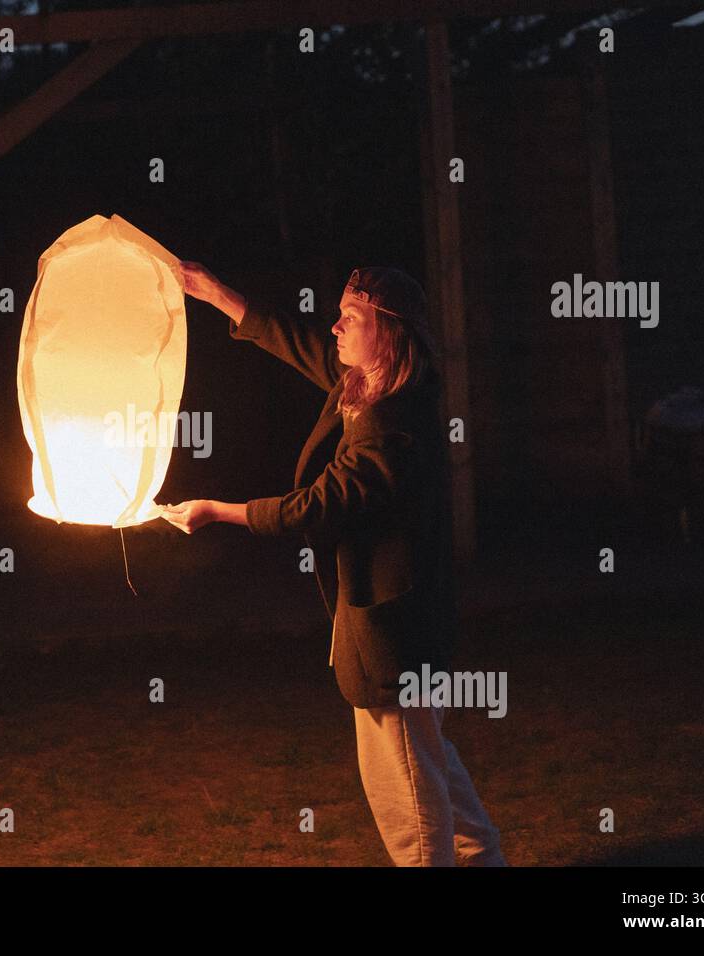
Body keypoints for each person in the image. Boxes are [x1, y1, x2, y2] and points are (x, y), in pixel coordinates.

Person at [160, 262, 506, 867]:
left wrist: (217, 511)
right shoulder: (371, 385)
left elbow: (315, 508)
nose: (335, 327)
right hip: (403, 622)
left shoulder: (390, 427)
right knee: (426, 756)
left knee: (405, 792)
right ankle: (481, 858)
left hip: (395, 632)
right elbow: (293, 343)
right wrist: (214, 291)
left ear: (388, 332)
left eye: (352, 317)